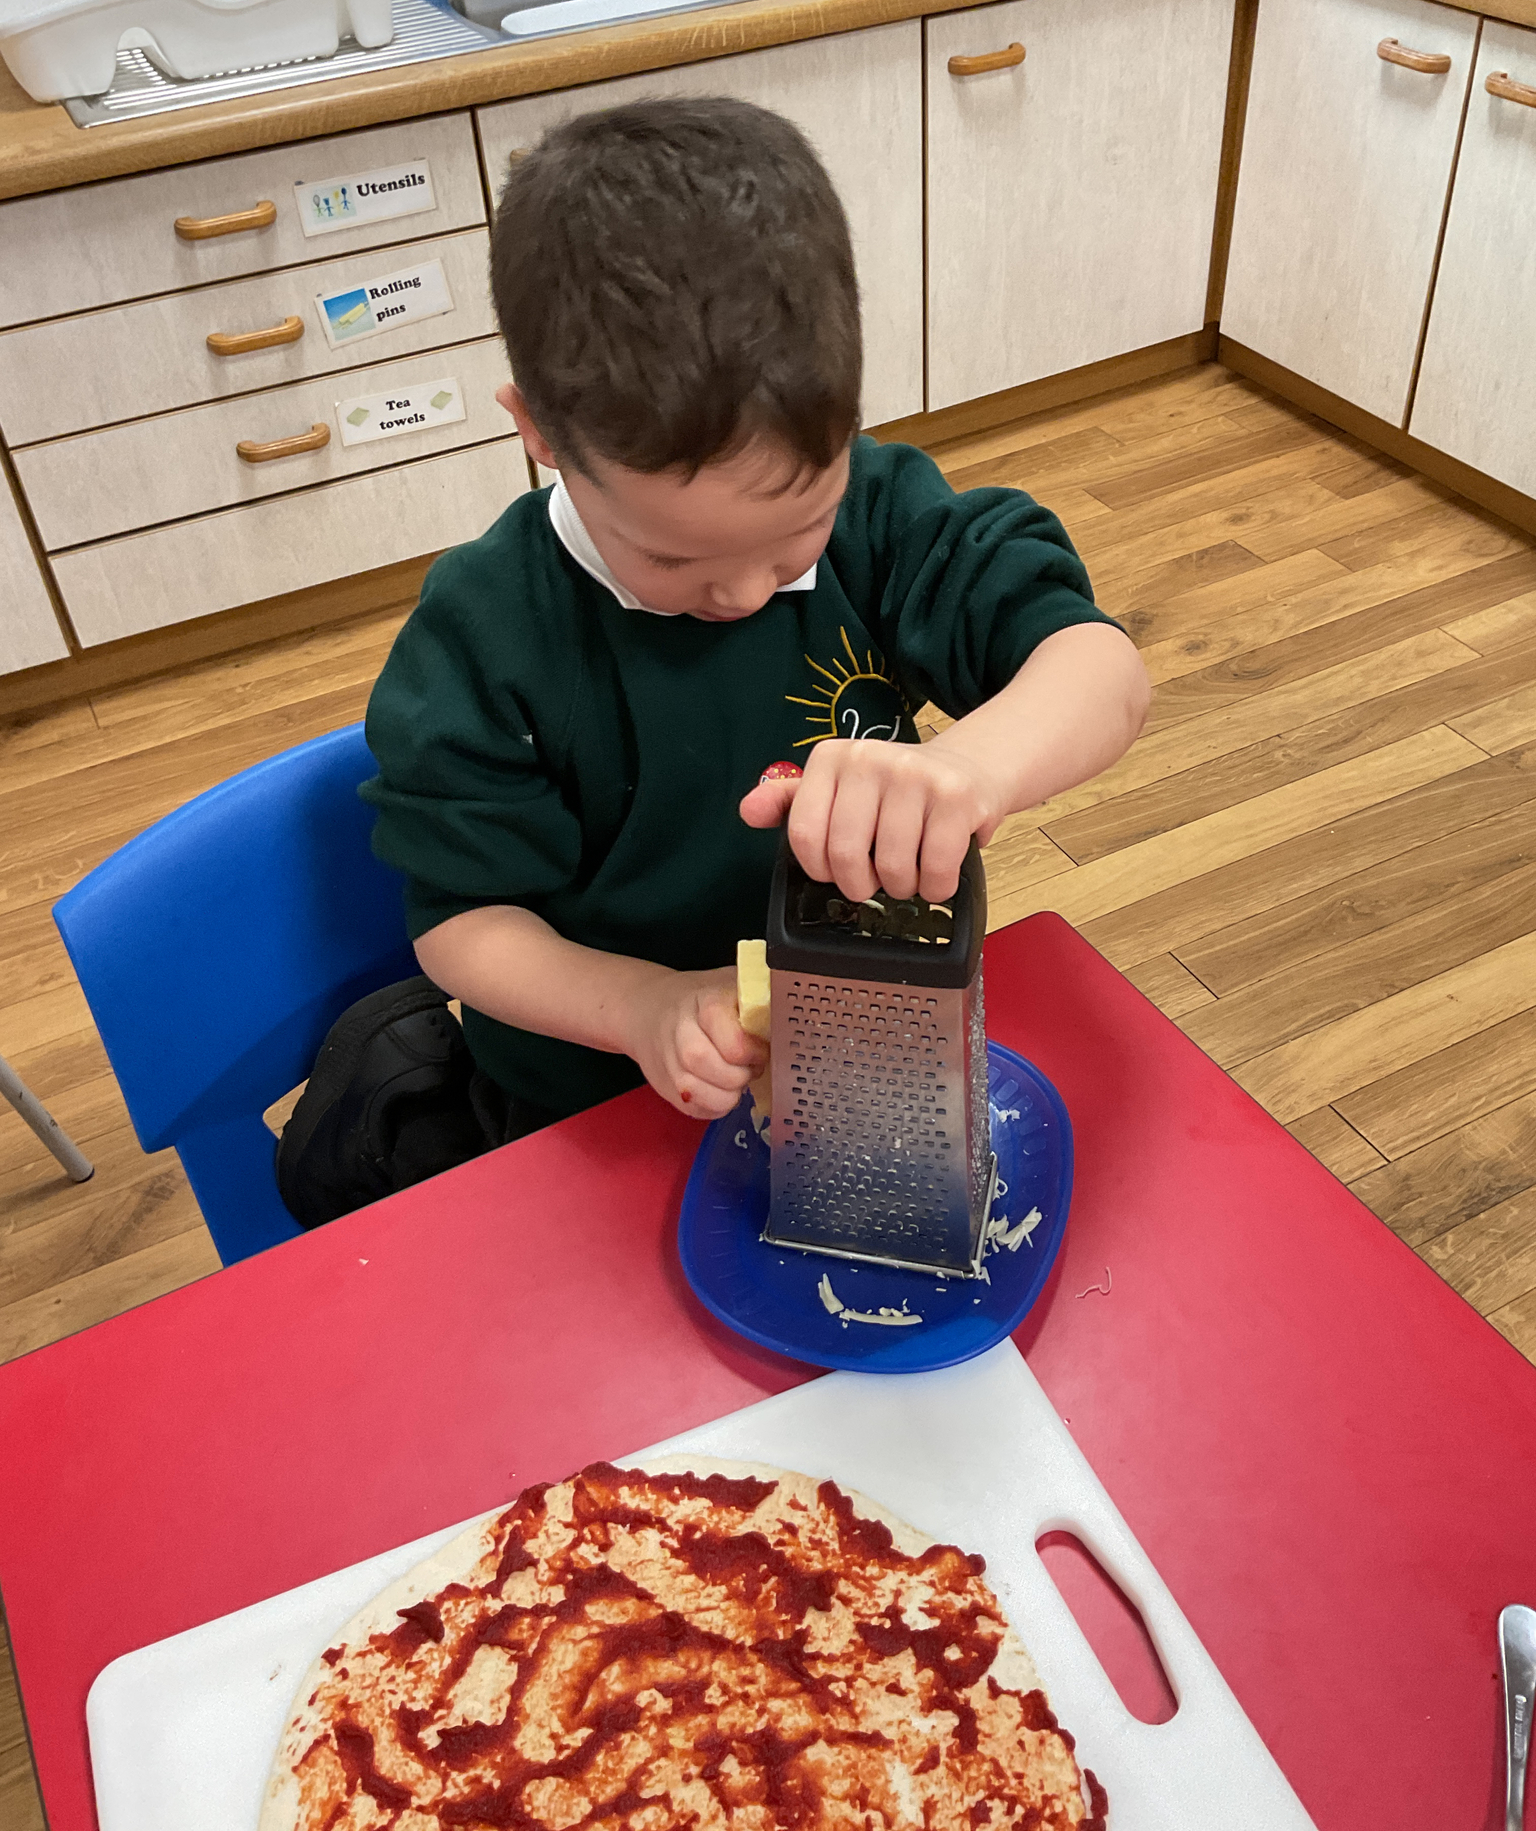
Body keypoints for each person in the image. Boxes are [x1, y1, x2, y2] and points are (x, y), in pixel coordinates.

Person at [361, 95, 1150, 1151]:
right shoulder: (485, 638)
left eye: (796, 533)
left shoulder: (882, 516)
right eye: (672, 556)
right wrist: (641, 1007)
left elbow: (1101, 670)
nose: (742, 593)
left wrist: (973, 767)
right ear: (540, 433)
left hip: (865, 1043)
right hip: (596, 1101)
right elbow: (462, 922)